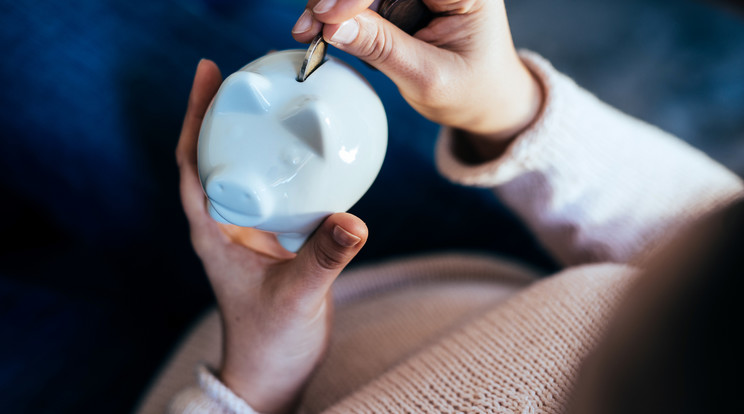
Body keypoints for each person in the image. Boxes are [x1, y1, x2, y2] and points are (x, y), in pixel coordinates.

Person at [138, 0, 744, 412]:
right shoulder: (708, 298)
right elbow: (696, 224)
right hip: (445, 271)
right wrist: (504, 108)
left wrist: (256, 378)